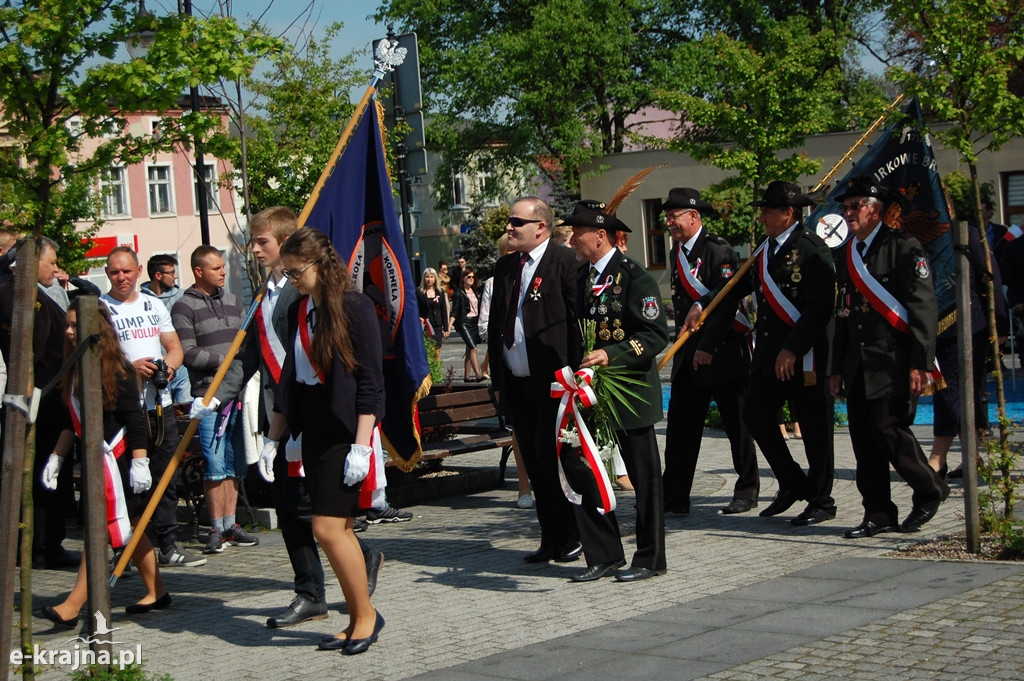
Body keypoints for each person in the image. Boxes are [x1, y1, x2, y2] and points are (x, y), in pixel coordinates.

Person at [245, 207, 384, 628]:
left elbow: (371, 384)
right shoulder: (301, 310)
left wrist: (362, 445)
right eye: (286, 273)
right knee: (334, 530)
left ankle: (365, 617)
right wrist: (275, 436)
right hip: (311, 430)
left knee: (327, 528)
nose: (291, 280)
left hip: (346, 430)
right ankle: (361, 618)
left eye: (296, 271)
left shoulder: (355, 307)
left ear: (320, 265)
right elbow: (291, 379)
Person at [685, 181, 837, 526]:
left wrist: (793, 349)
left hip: (804, 354)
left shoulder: (812, 249)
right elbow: (734, 285)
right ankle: (791, 481)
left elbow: (820, 307)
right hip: (770, 353)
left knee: (814, 427)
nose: (763, 216)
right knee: (754, 415)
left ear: (788, 213)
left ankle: (822, 500)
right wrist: (702, 304)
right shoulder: (765, 249)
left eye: (768, 211)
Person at [828, 176, 949, 537]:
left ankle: (930, 490)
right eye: (845, 207)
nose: (848, 213)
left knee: (889, 431)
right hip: (859, 363)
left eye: (855, 206)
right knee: (864, 442)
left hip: (894, 359)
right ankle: (878, 512)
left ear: (874, 209)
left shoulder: (902, 247)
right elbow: (844, 315)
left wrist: (920, 362)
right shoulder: (847, 253)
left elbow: (923, 308)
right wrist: (836, 368)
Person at [39, 304, 169, 627]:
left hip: (121, 461)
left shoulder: (119, 369)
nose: (69, 332)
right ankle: (158, 592)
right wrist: (56, 456)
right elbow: (72, 424)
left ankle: (72, 606)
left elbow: (135, 420)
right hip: (97, 460)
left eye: (74, 325)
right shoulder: (72, 368)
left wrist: (140, 463)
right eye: (67, 326)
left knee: (101, 532)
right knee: (132, 529)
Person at [566, 201, 669, 582]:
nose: (573, 238)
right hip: (590, 394)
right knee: (585, 469)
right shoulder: (581, 278)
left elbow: (656, 334)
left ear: (600, 235)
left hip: (630, 393)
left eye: (578, 232)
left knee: (644, 478)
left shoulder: (634, 277)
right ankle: (604, 553)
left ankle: (650, 558)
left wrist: (612, 354)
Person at [487, 197, 580, 561]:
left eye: (516, 222)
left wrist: (576, 374)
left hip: (555, 382)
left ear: (541, 226)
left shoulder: (564, 262)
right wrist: (498, 377)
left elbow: (575, 324)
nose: (509, 227)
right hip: (518, 381)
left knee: (553, 460)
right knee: (534, 463)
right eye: (509, 221)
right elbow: (497, 327)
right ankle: (551, 538)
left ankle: (573, 534)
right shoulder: (506, 266)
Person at [101, 247, 205, 568]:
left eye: (127, 271)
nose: (121, 278)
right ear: (107, 274)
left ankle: (168, 543)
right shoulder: (101, 309)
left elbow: (174, 348)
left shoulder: (153, 304)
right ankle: (126, 548)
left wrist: (168, 368)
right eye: (115, 272)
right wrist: (130, 368)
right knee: (128, 481)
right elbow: (100, 361)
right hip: (123, 409)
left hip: (159, 406)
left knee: (165, 476)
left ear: (138, 272)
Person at [660, 187, 759, 516]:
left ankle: (747, 489)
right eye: (667, 217)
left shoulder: (718, 250)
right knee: (680, 428)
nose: (670, 222)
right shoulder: (677, 252)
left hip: (723, 353)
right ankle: (674, 495)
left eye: (675, 216)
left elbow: (727, 300)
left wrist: (708, 348)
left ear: (694, 216)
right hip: (689, 357)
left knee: (737, 426)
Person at [172, 245, 260, 555]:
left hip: (238, 394)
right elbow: (188, 353)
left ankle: (230, 523)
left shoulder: (236, 302)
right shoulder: (184, 306)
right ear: (199, 271)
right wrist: (226, 360)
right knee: (213, 462)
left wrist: (239, 365)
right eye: (216, 268)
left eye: (223, 266)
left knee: (235, 461)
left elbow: (246, 345)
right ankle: (214, 526)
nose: (223, 272)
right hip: (207, 396)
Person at [0, 237, 76, 568]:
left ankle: (36, 543)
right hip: (43, 403)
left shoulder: (22, 293)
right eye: (52, 261)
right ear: (34, 263)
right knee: (46, 474)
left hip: (35, 401)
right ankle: (45, 546)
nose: (56, 268)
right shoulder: (28, 299)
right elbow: (30, 354)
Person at [929, 194, 1006, 479]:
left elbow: (990, 280)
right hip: (933, 328)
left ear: (948, 208)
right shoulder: (923, 240)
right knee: (953, 394)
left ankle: (938, 457)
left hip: (967, 327)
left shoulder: (968, 235)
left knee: (955, 393)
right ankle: (971, 457)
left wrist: (999, 325)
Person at [141, 254, 191, 404]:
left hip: (182, 368)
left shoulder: (183, 297)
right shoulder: (141, 300)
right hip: (154, 371)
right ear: (158, 275)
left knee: (186, 413)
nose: (175, 276)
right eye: (171, 273)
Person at [449, 266, 485, 382]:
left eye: (473, 277)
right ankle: (478, 375)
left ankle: (467, 376)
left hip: (474, 322)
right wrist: (449, 326)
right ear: (463, 278)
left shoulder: (474, 291)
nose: (471, 279)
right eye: (468, 277)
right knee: (473, 348)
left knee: (469, 349)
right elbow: (454, 311)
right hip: (464, 323)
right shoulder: (459, 293)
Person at [416, 267, 450, 362]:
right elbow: (416, 308)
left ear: (435, 278)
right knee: (429, 351)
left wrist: (446, 328)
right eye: (427, 277)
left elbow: (443, 310)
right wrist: (419, 318)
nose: (429, 279)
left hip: (437, 326)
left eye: (431, 277)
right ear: (424, 278)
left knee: (437, 351)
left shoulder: (440, 292)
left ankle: (437, 374)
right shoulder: (419, 292)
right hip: (426, 325)